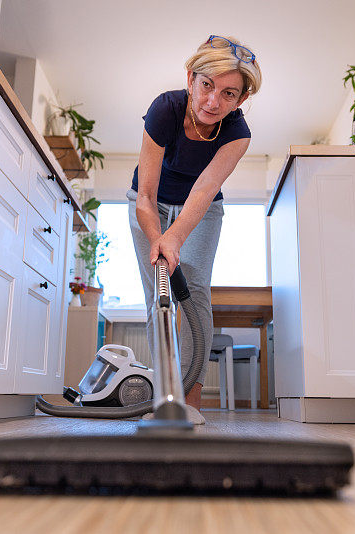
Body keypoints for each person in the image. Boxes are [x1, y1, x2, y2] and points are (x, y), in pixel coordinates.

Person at [127, 35, 262, 411]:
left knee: (196, 289)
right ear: (190, 78)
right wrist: (159, 241)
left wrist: (175, 238)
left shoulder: (237, 135)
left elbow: (203, 193)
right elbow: (145, 196)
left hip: (200, 208)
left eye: (229, 93)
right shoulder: (164, 109)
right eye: (207, 85)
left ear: (241, 99)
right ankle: (164, 392)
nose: (213, 101)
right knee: (159, 291)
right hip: (147, 203)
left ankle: (191, 396)